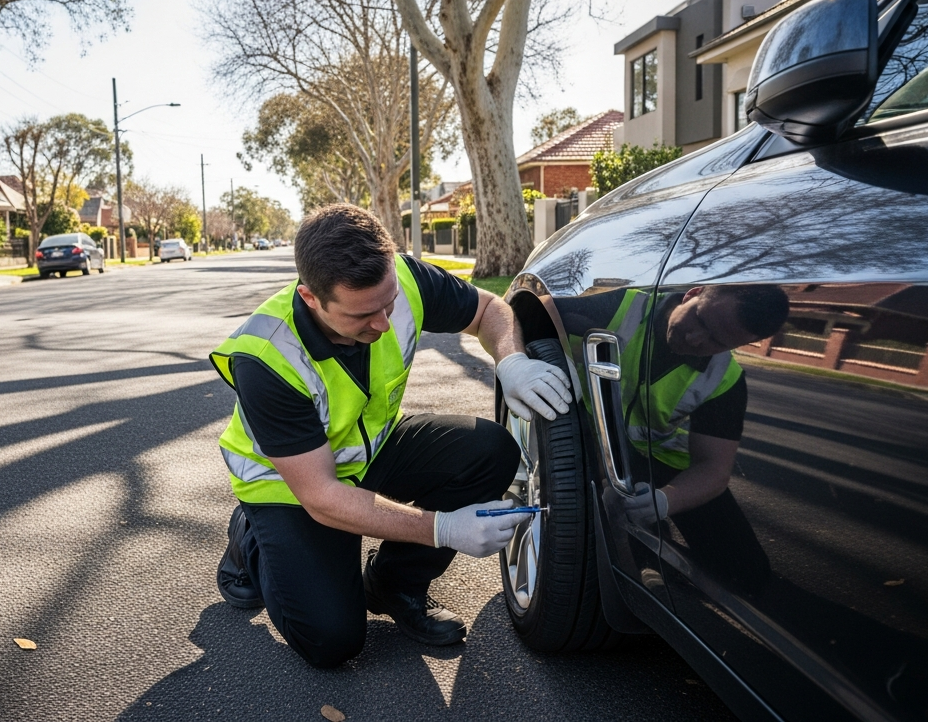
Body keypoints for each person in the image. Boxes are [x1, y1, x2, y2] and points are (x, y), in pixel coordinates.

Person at [209, 204, 571, 668]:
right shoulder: (266, 358)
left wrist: (511, 360)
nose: (382, 324)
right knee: (330, 639)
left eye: (389, 303)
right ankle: (250, 536)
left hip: (371, 449)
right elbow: (322, 496)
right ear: (311, 298)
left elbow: (489, 308)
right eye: (362, 315)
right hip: (289, 486)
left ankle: (394, 584)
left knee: (489, 451)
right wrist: (442, 529)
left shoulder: (403, 278)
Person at [558, 284, 789, 594]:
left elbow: (714, 468)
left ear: (745, 343)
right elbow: (531, 309)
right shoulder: (623, 306)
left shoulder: (724, 380)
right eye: (700, 320)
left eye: (716, 341)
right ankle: (648, 564)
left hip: (662, 462)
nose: (695, 339)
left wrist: (664, 501)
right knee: (599, 530)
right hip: (589, 432)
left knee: (746, 572)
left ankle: (658, 553)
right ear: (693, 293)